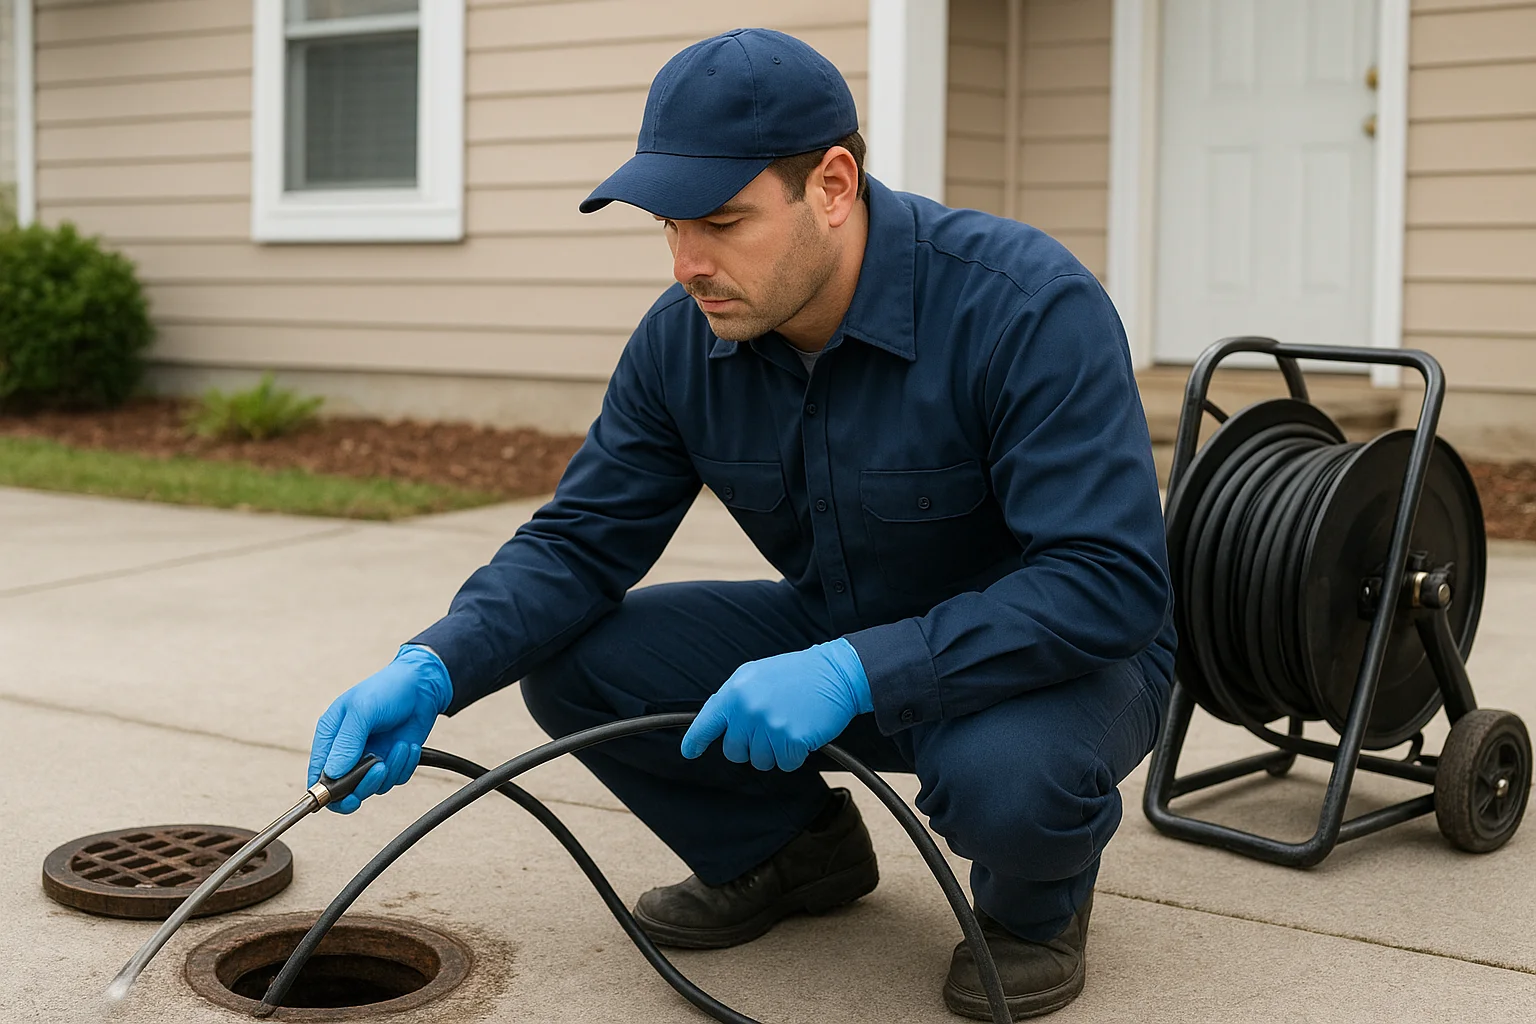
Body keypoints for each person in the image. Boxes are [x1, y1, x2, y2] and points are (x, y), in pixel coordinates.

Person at [306, 27, 1175, 1020]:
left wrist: (856, 671)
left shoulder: (1024, 308)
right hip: (842, 622)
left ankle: (1033, 912)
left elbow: (1106, 581)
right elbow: (579, 542)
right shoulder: (681, 342)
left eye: (721, 221)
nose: (688, 263)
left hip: (1056, 662)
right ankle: (790, 852)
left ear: (833, 185)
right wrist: (434, 664)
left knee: (1005, 776)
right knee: (577, 665)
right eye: (670, 225)